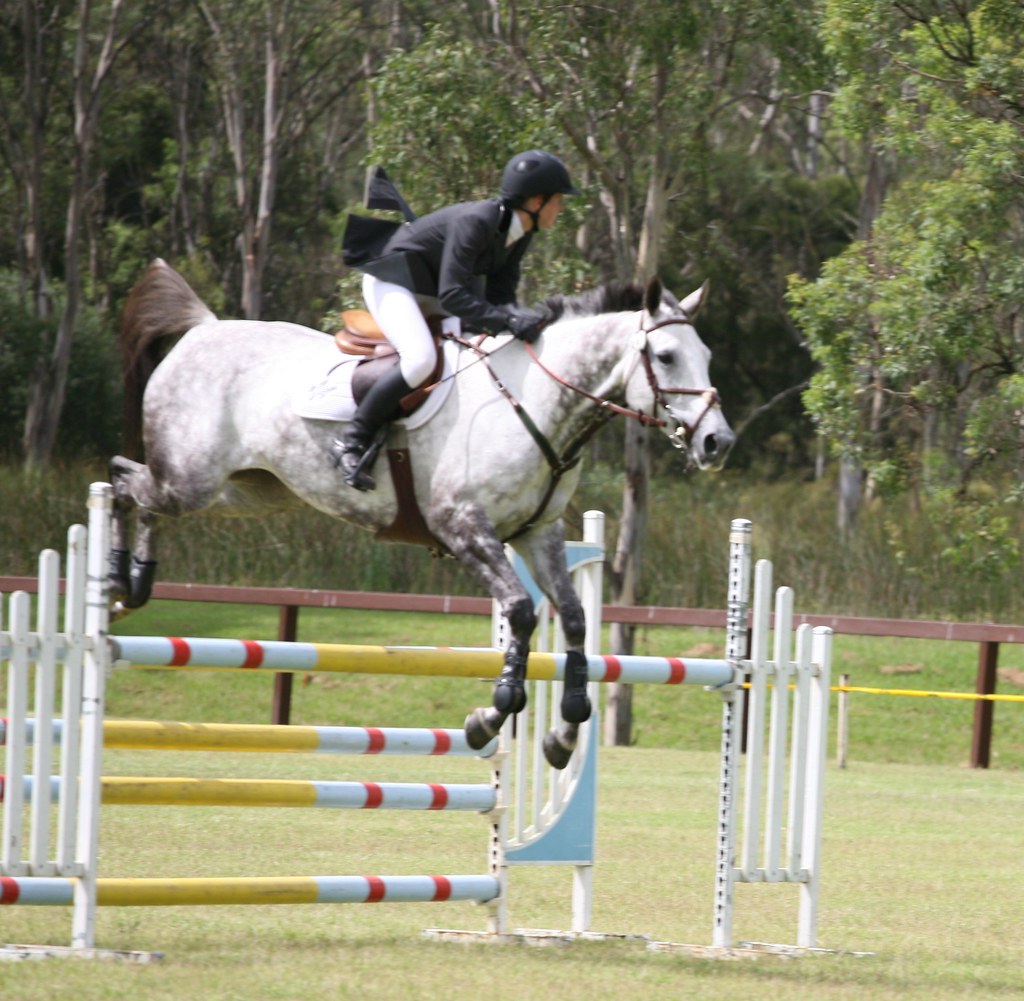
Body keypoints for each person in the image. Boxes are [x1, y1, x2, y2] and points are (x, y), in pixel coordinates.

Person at [331, 149, 580, 490]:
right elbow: (453, 295)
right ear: (537, 201)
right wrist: (508, 322)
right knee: (421, 360)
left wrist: (524, 321)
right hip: (394, 281)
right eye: (558, 200)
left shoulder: (519, 232)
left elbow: (500, 297)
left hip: (432, 288)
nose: (561, 208)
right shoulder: (478, 221)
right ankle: (352, 440)